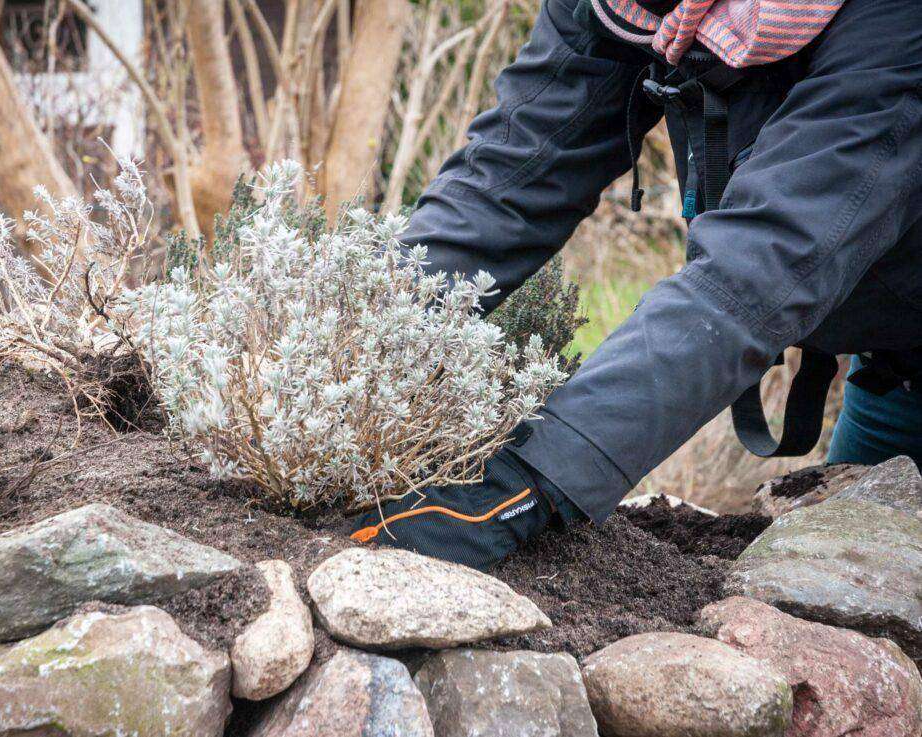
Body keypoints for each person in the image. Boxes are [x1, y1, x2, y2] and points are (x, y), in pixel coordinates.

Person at [351, 0, 922, 571]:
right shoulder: (633, 7)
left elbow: (760, 266)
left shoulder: (898, 29)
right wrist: (346, 345)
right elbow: (512, 172)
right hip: (890, 380)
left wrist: (527, 480)